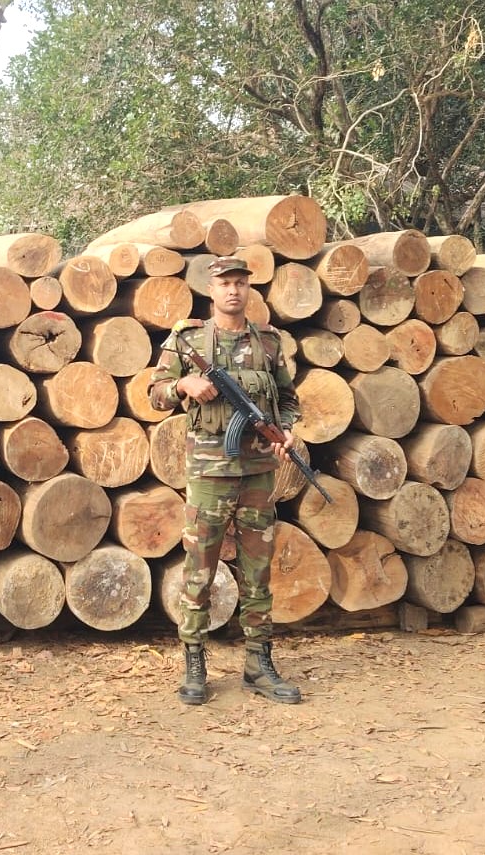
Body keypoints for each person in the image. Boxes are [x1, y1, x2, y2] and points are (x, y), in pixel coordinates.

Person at [149, 255, 303, 705]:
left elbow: (289, 401)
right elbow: (155, 394)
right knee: (200, 570)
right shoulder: (188, 340)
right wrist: (183, 387)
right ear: (211, 290)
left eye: (240, 283)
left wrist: (288, 429)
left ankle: (259, 663)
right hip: (209, 473)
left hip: (258, 473)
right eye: (225, 284)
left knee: (258, 572)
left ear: (249, 289)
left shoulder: (269, 343)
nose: (233, 291)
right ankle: (194, 662)